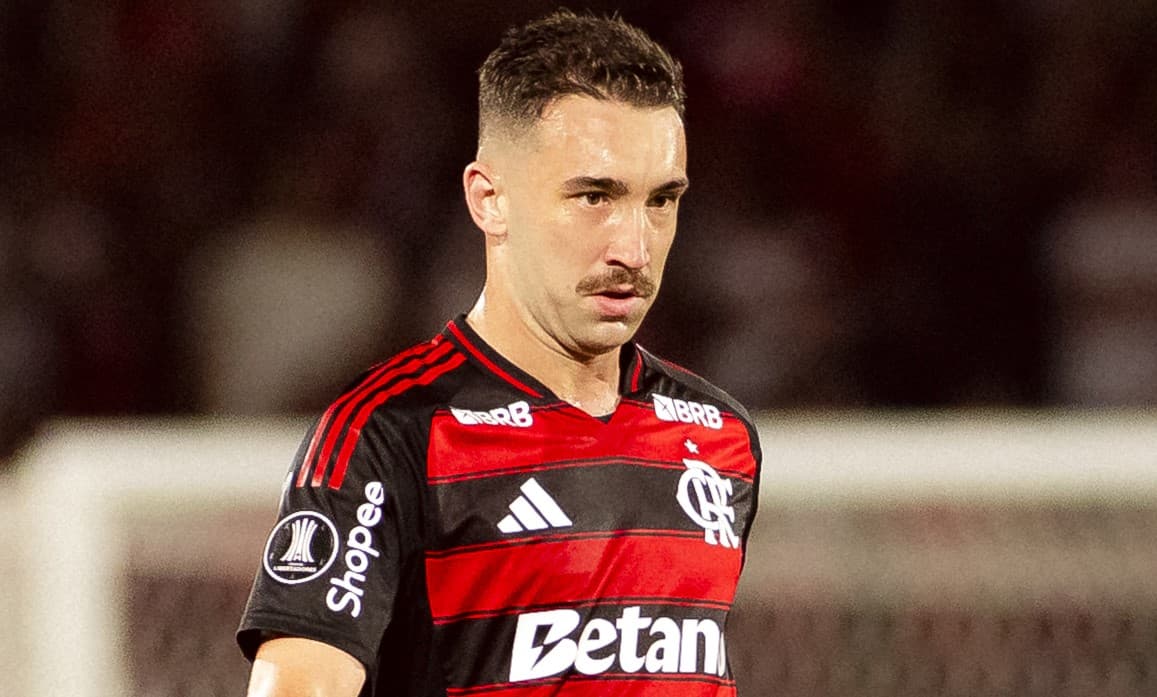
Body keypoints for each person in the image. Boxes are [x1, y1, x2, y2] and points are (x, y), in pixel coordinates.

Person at [237, 10, 762, 697]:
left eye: (660, 200)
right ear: (489, 200)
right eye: (593, 196)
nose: (633, 248)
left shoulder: (718, 435)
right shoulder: (390, 433)